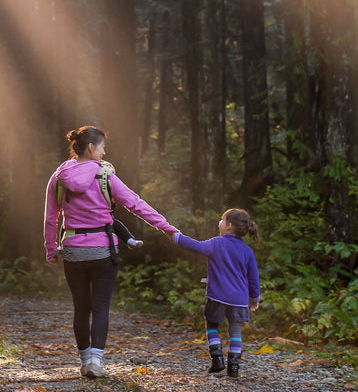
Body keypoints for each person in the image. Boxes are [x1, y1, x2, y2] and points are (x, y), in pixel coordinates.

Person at [44, 125, 178, 378]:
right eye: (103, 147)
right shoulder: (105, 175)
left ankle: (84, 362)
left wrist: (51, 249)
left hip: (73, 250)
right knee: (100, 307)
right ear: (92, 148)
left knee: (80, 308)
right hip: (103, 251)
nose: (105, 153)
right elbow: (135, 204)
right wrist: (166, 228)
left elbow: (51, 218)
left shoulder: (59, 176)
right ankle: (96, 362)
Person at [171, 208, 260, 378]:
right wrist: (254, 298)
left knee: (212, 325)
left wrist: (175, 237)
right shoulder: (247, 251)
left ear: (228, 225)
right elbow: (254, 278)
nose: (219, 222)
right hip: (239, 300)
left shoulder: (216, 243)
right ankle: (234, 367)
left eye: (222, 219)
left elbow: (194, 245)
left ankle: (217, 359)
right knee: (235, 332)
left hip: (217, 296)